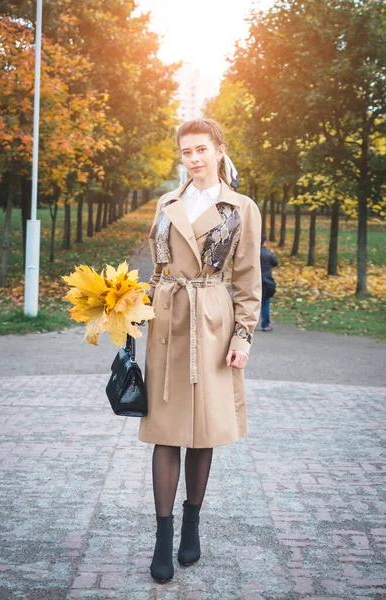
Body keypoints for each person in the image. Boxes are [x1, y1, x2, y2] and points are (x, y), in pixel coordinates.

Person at [138, 118, 262, 583]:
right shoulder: (167, 203)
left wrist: (243, 336)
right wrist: (130, 305)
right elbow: (158, 271)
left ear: (218, 150)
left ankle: (192, 525)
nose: (193, 159)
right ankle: (163, 538)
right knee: (166, 430)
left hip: (211, 319)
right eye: (186, 152)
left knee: (204, 430)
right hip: (169, 319)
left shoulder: (240, 207)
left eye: (201, 150)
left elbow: (248, 281)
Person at [260, 235, 279, 331]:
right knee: (265, 302)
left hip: (254, 281)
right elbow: (276, 262)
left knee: (250, 302)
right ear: (264, 242)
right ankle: (265, 324)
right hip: (266, 281)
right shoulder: (268, 254)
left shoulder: (252, 253)